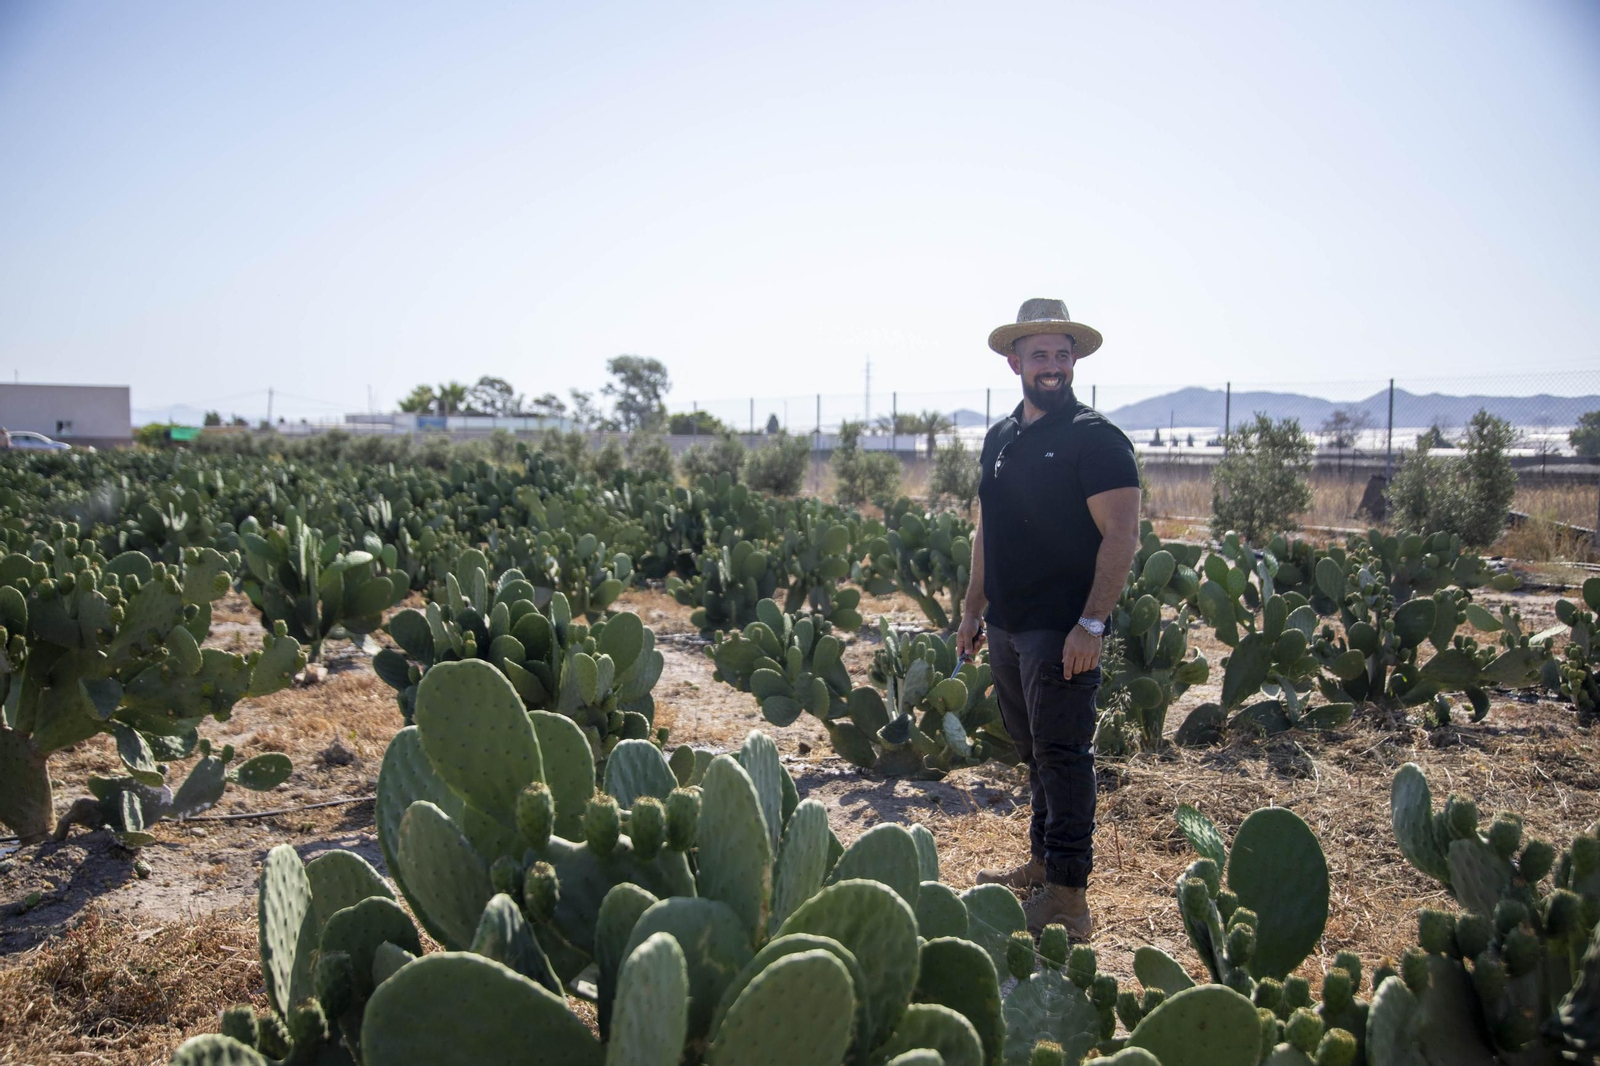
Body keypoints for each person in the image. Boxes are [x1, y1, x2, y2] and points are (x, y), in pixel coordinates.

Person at [956, 298, 1141, 940]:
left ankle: (1067, 899)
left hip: (1062, 631)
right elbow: (987, 530)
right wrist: (973, 608)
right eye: (1041, 355)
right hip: (1008, 625)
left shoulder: (1097, 440)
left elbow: (1122, 535)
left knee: (1064, 757)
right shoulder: (1001, 438)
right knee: (1034, 752)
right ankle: (1041, 864)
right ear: (1016, 363)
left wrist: (1092, 624)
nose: (1054, 366)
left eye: (1063, 354)